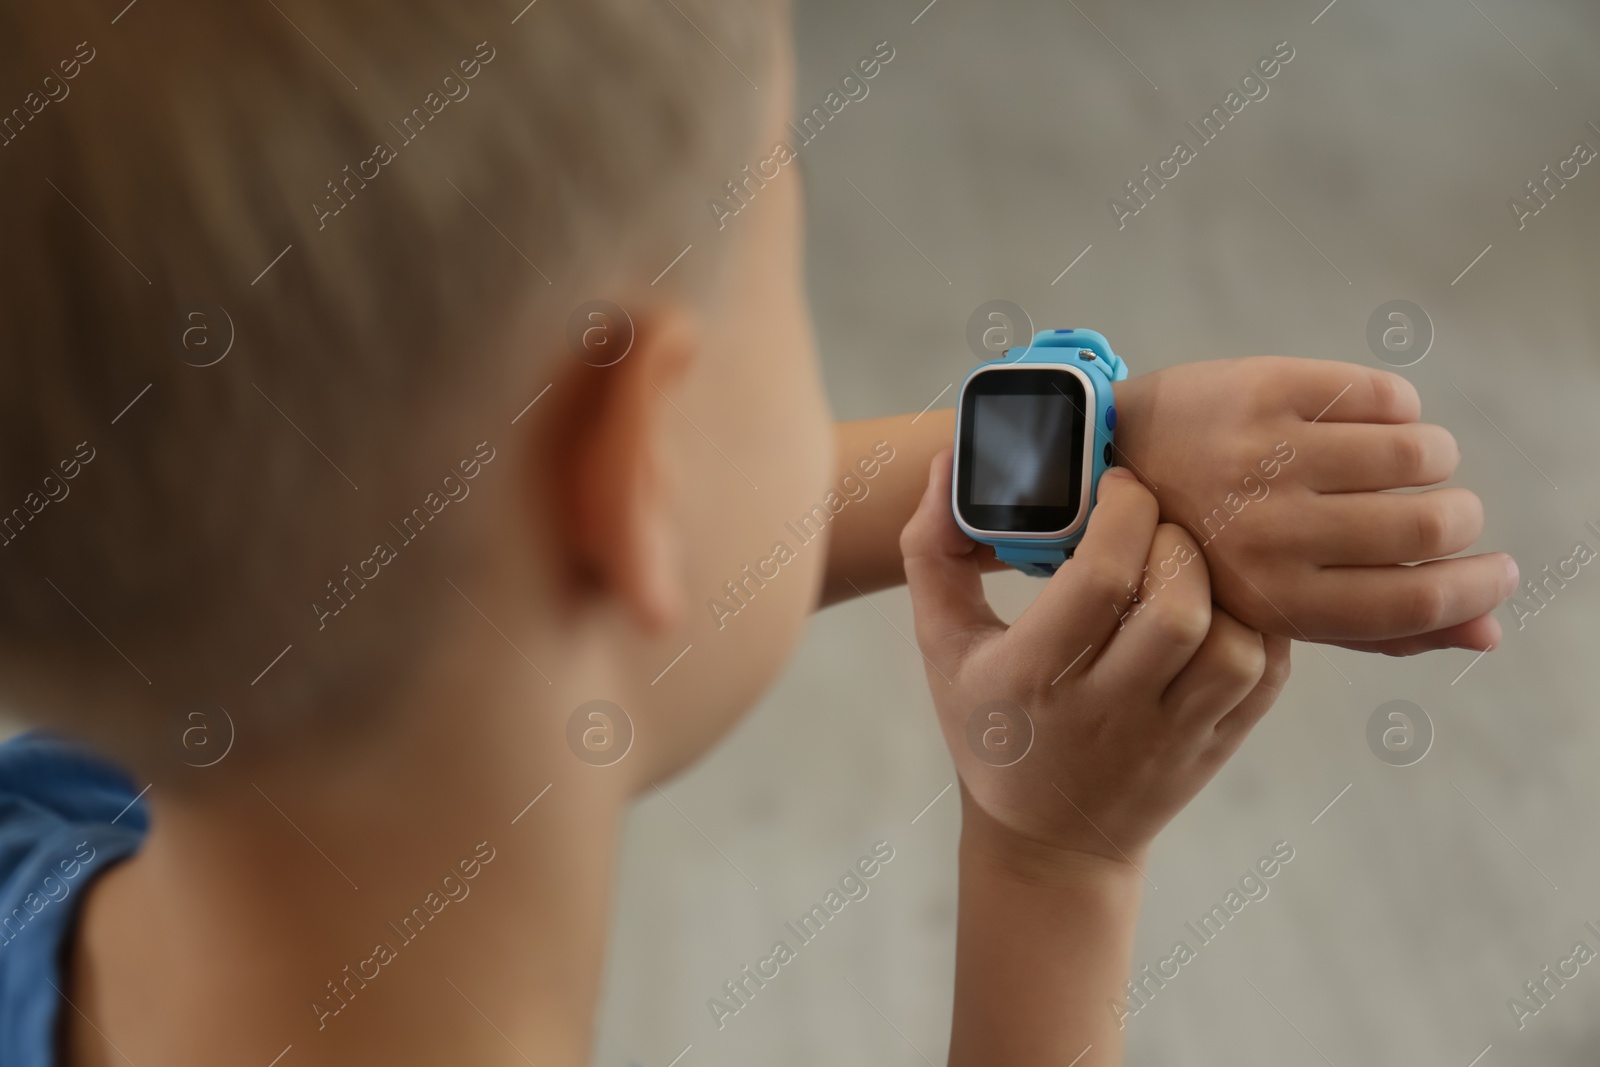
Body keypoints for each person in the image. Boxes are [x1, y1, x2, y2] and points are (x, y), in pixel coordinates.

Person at [0, 3, 1515, 1065]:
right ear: (632, 451)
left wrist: (1094, 443)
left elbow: (408, 554)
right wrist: (1055, 868)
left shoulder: (42, 821)